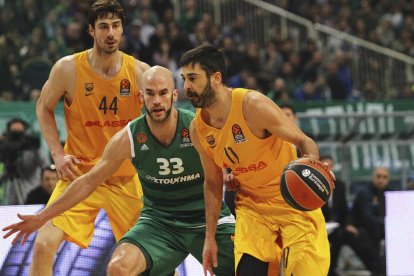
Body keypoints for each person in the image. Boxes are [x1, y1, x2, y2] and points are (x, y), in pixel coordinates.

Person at [3, 66, 235, 276]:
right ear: (140, 97)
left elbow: (231, 161)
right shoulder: (128, 137)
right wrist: (42, 217)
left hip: (204, 218)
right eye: (150, 94)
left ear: (174, 96)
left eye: (163, 93)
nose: (157, 101)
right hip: (160, 223)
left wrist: (235, 175)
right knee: (118, 267)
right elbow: (88, 182)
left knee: (251, 266)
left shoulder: (197, 127)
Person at [14, 1, 150, 274]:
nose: (110, 33)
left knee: (153, 256)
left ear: (122, 29)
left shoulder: (140, 73)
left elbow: (160, 121)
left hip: (124, 178)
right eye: (103, 26)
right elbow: (43, 106)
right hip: (79, 175)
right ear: (91, 30)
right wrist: (57, 154)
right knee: (43, 245)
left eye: (115, 26)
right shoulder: (68, 69)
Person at [179, 44, 330, 276]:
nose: (186, 86)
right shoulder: (197, 129)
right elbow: (211, 182)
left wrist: (312, 169)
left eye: (192, 78)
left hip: (291, 202)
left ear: (216, 78)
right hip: (252, 209)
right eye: (184, 79)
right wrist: (209, 238)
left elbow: (305, 142)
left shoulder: (252, 105)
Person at [351, 166, 390, 274]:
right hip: (364, 228)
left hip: (382, 227)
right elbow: (366, 217)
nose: (381, 180)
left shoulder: (389, 192)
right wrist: (386, 223)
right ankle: (377, 268)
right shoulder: (365, 193)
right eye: (378, 176)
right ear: (373, 177)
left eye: (384, 177)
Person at [0, 118, 44, 204]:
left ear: (25, 132)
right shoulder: (5, 145)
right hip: (10, 183)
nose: (16, 136)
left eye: (19, 132)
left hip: (31, 185)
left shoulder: (32, 146)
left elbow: (44, 164)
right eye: (13, 132)